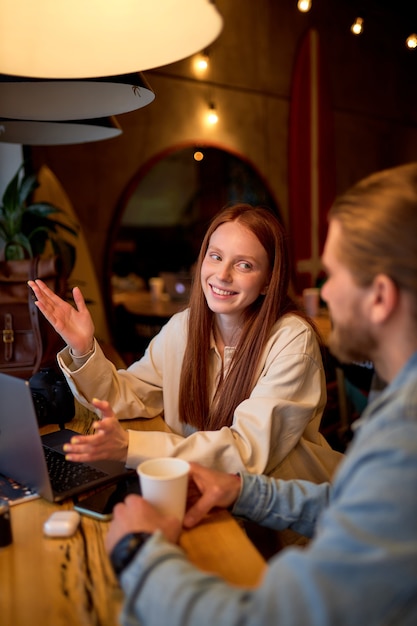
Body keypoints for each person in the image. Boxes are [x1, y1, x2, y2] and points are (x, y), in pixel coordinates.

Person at [104, 163, 417, 625]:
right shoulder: (397, 411)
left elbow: (270, 618)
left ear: (381, 297)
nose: (323, 290)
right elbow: (349, 505)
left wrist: (139, 554)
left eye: (331, 274)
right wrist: (244, 491)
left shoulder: (402, 444)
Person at [29, 203, 341, 482]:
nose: (222, 274)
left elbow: (245, 452)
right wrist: (84, 347)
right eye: (215, 256)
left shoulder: (292, 341)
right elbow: (127, 394)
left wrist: (130, 447)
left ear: (268, 282)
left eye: (244, 265)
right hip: (204, 491)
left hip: (282, 525)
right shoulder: (186, 326)